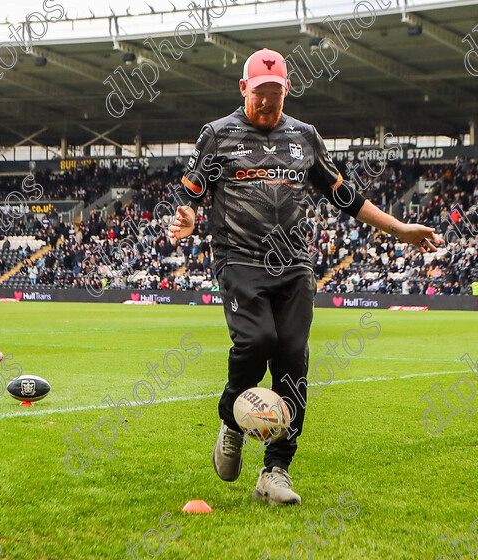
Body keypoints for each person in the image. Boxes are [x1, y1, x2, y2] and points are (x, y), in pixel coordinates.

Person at [168, 48, 441, 505]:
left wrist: (400, 230)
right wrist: (189, 217)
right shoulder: (217, 135)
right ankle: (232, 422)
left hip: (295, 265)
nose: (267, 103)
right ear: (243, 89)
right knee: (257, 342)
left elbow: (345, 196)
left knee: (293, 361)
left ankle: (275, 472)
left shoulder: (305, 137)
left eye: (274, 94)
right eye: (259, 94)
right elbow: (191, 190)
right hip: (240, 259)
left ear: (286, 90)